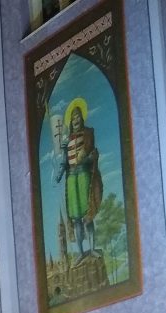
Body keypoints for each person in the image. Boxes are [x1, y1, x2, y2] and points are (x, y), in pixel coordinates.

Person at [54, 99, 102, 260]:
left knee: (87, 216)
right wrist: (59, 173)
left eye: (78, 117)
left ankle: (92, 248)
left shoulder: (88, 134)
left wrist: (87, 159)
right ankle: (81, 252)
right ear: (70, 121)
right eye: (73, 118)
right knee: (76, 219)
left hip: (83, 176)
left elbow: (91, 154)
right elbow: (64, 162)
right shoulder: (67, 141)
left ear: (82, 119)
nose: (76, 120)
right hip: (71, 179)